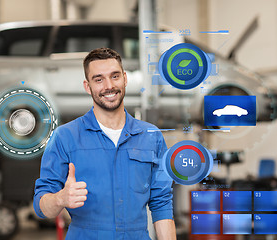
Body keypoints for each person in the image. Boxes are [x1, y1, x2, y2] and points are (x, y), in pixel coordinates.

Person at [33, 48, 176, 240]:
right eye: (98, 79)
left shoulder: (151, 136)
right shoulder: (65, 137)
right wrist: (60, 198)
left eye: (114, 76)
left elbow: (161, 204)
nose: (109, 86)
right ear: (87, 86)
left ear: (125, 78)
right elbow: (42, 207)